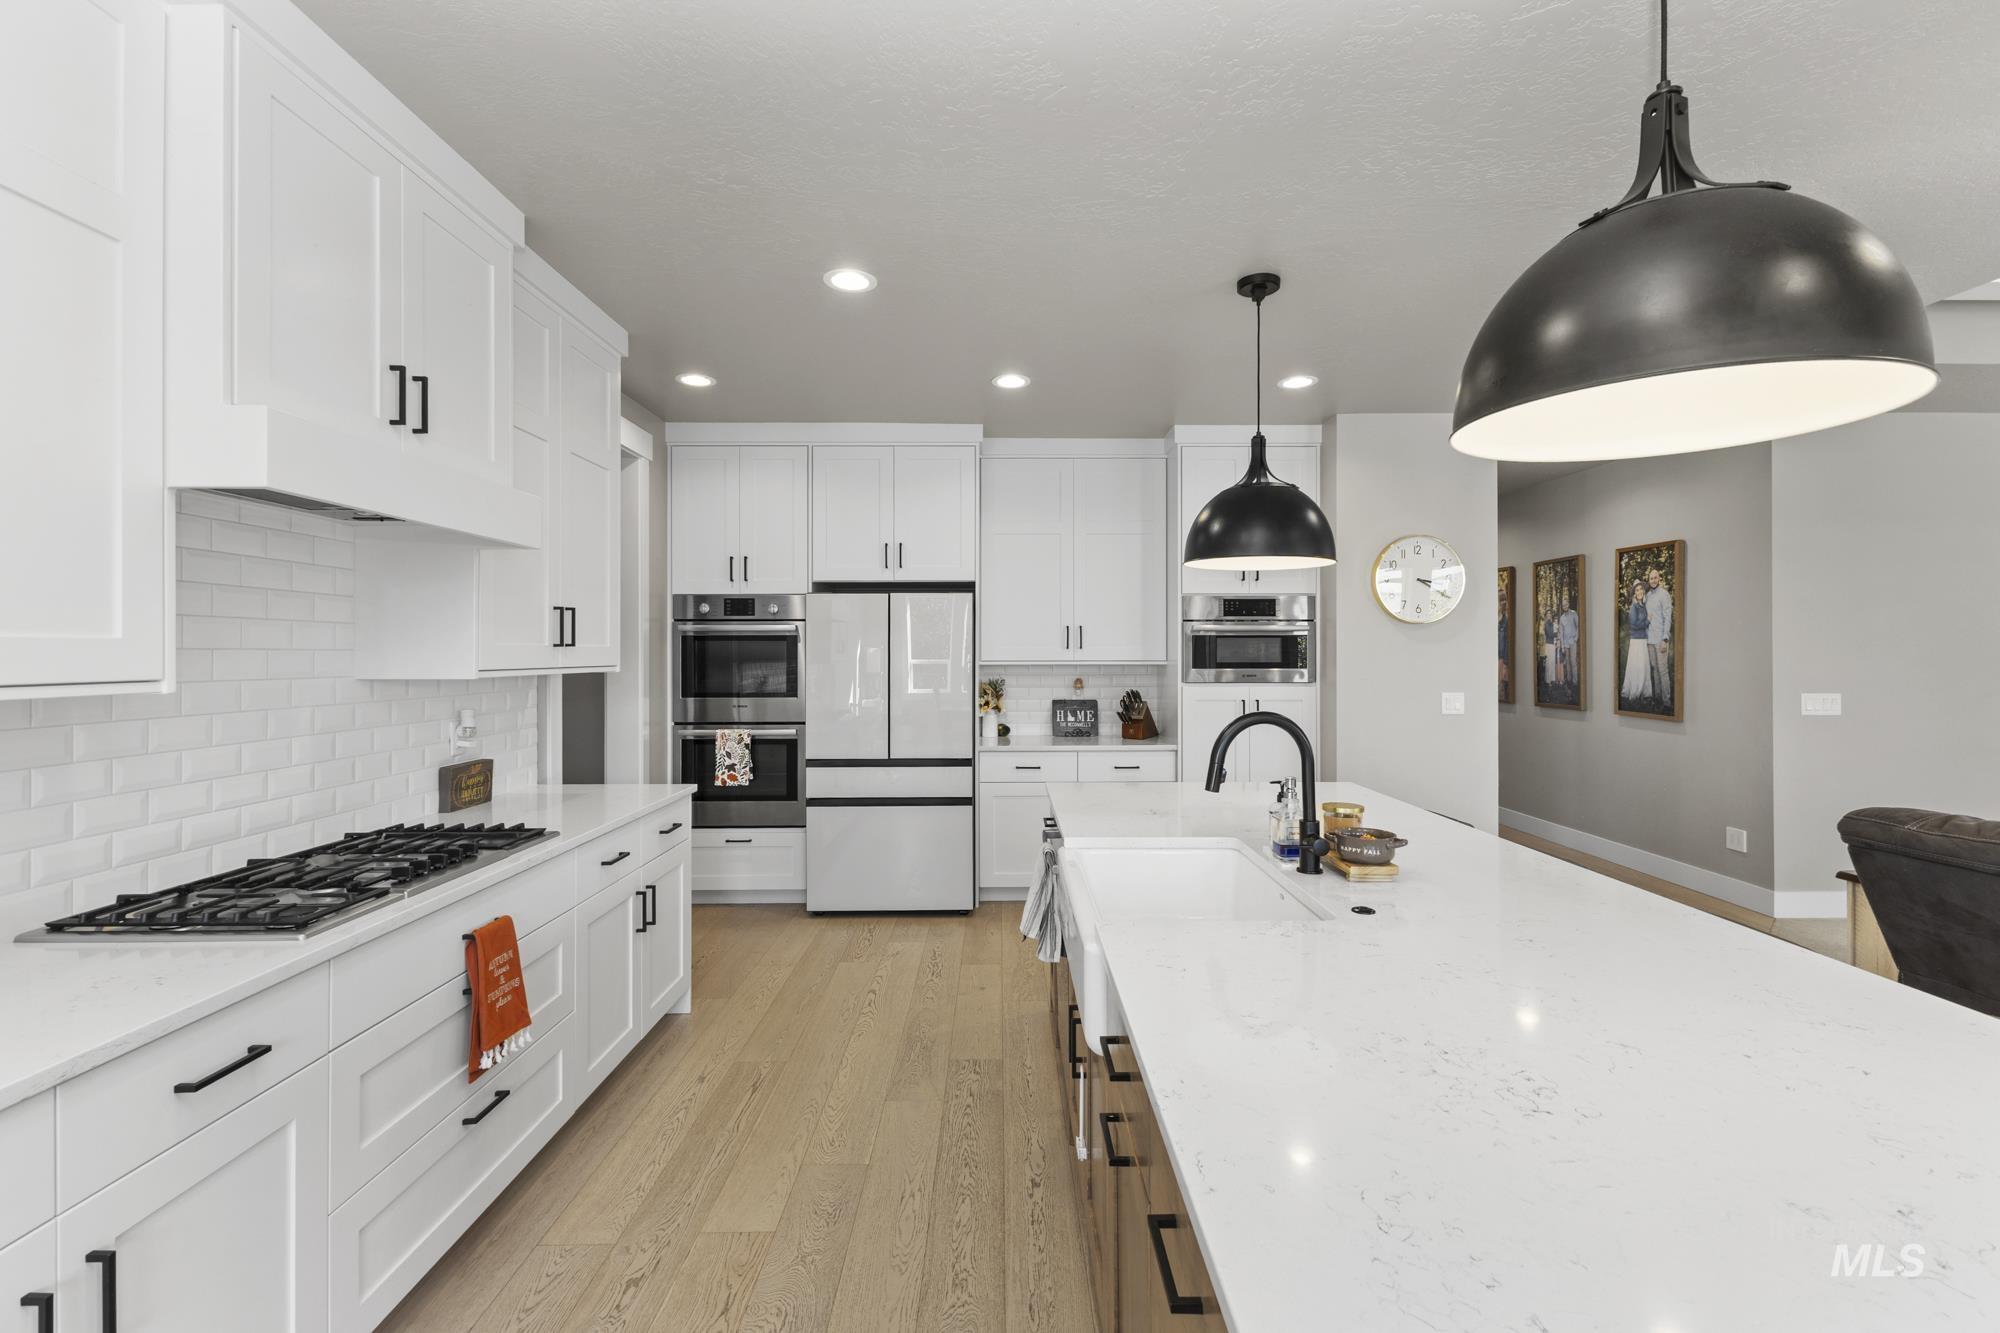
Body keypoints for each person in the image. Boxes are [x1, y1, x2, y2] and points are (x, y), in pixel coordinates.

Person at [1644, 567, 1674, 709]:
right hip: (1649, 640)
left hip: (1661, 639)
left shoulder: (1664, 595)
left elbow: (1668, 617)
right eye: (1651, 578)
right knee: (1654, 669)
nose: (1653, 580)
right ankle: (1657, 699)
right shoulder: (1647, 596)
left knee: (1663, 670)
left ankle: (1667, 702)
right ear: (1648, 580)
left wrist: (1665, 638)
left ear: (1659, 578)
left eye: (1655, 577)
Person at [1620, 580, 1652, 705]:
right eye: (1637, 590)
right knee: (1637, 667)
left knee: (1643, 667)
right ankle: (1635, 692)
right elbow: (1633, 625)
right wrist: (1647, 621)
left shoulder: (1642, 605)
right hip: (1636, 640)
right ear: (1634, 593)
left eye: (1641, 589)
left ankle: (1645, 692)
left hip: (1643, 639)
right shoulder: (1634, 606)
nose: (1639, 592)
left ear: (1643, 591)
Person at [1557, 591, 1579, 700]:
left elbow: (1578, 626)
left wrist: (1576, 638)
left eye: (1566, 604)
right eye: (1563, 605)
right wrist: (1561, 645)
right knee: (1567, 663)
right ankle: (1569, 680)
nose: (1565, 606)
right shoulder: (1561, 618)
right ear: (1562, 607)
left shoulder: (1574, 613)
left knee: (1573, 661)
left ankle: (1575, 681)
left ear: (1568, 605)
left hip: (1573, 641)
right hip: (1565, 643)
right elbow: (1561, 632)